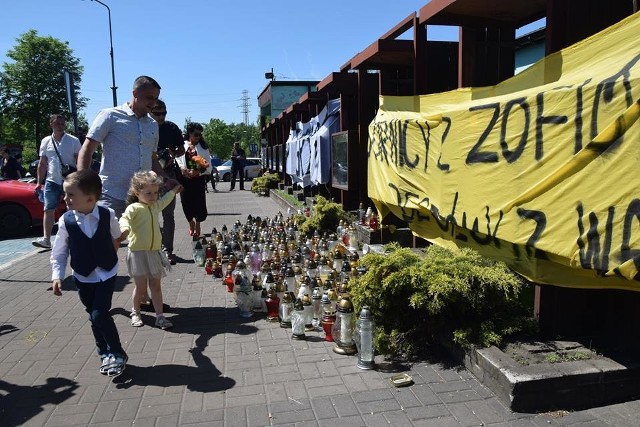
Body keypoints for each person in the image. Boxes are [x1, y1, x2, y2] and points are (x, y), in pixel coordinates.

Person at [50, 169, 128, 377]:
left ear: (90, 198)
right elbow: (59, 251)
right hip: (83, 276)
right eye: (65, 194)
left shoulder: (106, 214)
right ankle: (104, 353)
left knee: (99, 313)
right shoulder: (65, 221)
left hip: (107, 273)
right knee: (93, 317)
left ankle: (117, 353)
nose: (65, 198)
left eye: (70, 194)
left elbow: (116, 235)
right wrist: (57, 275)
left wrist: (111, 250)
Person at [77, 75, 178, 219]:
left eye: (156, 98)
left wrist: (166, 179)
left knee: (143, 241)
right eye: (149, 97)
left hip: (142, 199)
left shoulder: (152, 124)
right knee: (110, 240)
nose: (153, 103)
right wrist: (83, 185)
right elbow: (87, 149)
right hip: (112, 195)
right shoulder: (110, 116)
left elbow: (153, 159)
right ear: (135, 94)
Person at [119, 171, 182, 329]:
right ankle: (135, 312)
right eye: (148, 193)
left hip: (154, 253)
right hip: (138, 254)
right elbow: (124, 219)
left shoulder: (154, 206)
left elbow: (164, 200)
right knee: (140, 288)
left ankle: (160, 316)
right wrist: (125, 231)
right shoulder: (134, 208)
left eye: (155, 193)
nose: (153, 196)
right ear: (136, 192)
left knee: (156, 286)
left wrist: (173, 191)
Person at [33, 114, 82, 249]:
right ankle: (46, 239)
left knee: (72, 208)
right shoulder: (46, 141)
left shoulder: (73, 140)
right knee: (48, 209)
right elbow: (42, 164)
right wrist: (38, 182)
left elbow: (80, 160)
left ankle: (74, 237)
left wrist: (80, 178)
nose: (60, 126)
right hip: (51, 180)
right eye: (57, 124)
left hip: (69, 180)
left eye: (62, 123)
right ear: (51, 125)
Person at [150, 100, 185, 265]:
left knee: (168, 214)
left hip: (168, 174)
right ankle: (154, 249)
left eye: (164, 113)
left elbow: (182, 149)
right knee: (150, 214)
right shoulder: (145, 126)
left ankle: (168, 250)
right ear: (150, 111)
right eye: (157, 113)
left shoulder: (171, 127)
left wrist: (172, 153)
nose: (161, 116)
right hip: (148, 177)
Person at [176, 122, 212, 237]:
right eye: (196, 134)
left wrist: (199, 171)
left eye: (200, 135)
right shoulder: (182, 145)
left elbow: (209, 166)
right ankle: (190, 222)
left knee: (199, 203)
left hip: (198, 180)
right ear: (189, 133)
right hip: (184, 180)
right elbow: (177, 159)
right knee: (186, 203)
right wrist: (182, 169)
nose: (198, 137)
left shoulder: (203, 148)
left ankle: (197, 223)